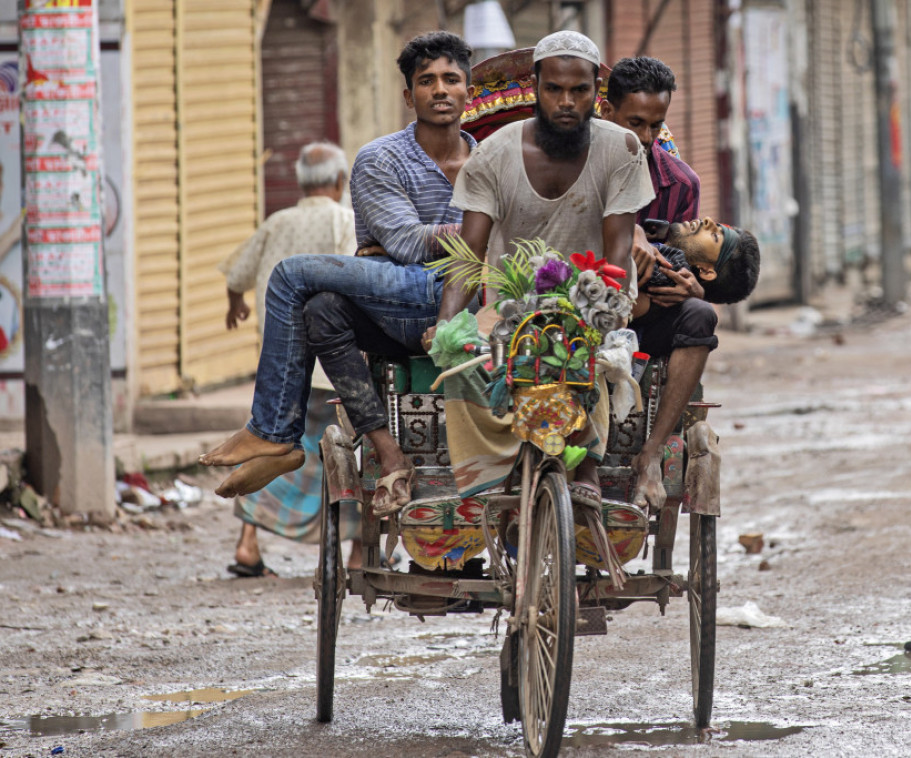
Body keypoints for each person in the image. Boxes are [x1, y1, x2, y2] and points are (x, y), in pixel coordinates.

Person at [199, 31, 477, 517]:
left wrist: (462, 238)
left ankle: (271, 433)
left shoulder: (491, 161)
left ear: (467, 91)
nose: (440, 89)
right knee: (318, 307)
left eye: (451, 79)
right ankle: (381, 452)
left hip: (469, 303)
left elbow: (412, 242)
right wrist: (481, 234)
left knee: (290, 276)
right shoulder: (381, 158)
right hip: (400, 307)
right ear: (409, 96)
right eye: (427, 81)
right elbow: (409, 244)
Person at [423, 30, 655, 509]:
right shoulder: (492, 155)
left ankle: (586, 462)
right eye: (554, 89)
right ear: (536, 86)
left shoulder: (623, 150)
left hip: (595, 299)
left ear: (597, 92)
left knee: (586, 352)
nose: (566, 102)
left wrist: (601, 312)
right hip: (511, 307)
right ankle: (495, 472)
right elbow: (469, 255)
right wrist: (447, 324)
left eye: (580, 90)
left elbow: (616, 250)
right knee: (464, 365)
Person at [599, 55, 759, 508]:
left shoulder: (679, 183)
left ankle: (649, 454)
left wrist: (692, 287)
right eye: (636, 124)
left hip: (642, 312)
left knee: (700, 314)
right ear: (607, 114)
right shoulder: (579, 161)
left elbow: (681, 257)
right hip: (581, 295)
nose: (648, 139)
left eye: (656, 125)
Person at [216, 141, 362, 578]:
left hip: (283, 369)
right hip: (332, 365)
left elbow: (237, 273)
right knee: (349, 455)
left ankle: (247, 542)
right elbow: (359, 275)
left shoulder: (276, 223)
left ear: (301, 182)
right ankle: (356, 553)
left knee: (273, 449)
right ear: (339, 182)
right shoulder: (344, 221)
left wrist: (234, 304)